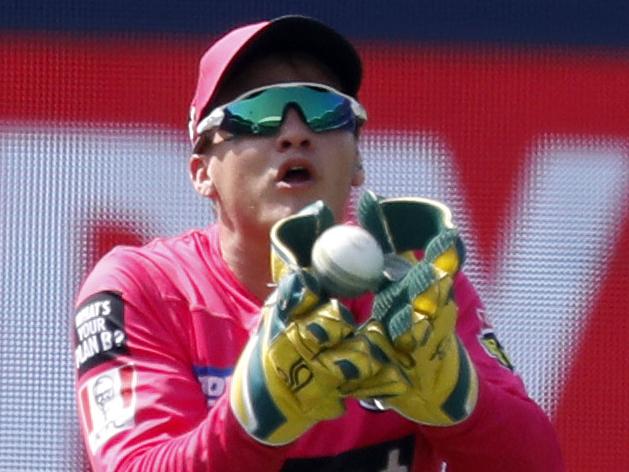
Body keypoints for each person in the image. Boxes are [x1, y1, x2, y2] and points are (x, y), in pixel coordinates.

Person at [72, 15, 565, 471]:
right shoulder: (140, 289)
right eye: (258, 113)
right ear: (202, 172)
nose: (294, 132)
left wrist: (459, 402)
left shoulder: (415, 288)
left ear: (357, 165)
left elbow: (538, 461)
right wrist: (256, 418)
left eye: (324, 111)